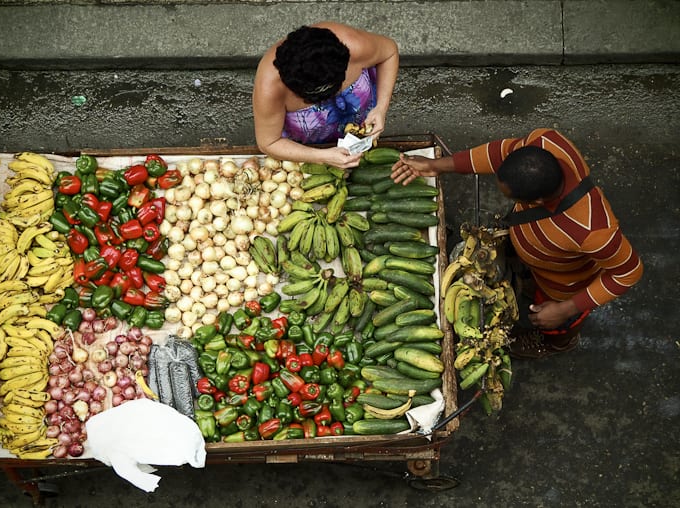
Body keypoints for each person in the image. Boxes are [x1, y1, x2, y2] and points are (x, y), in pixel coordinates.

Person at [390, 128, 644, 359]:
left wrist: (565, 309)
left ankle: (556, 343)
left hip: (563, 283)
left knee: (555, 324)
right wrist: (438, 166)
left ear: (538, 201)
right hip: (533, 246)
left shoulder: (594, 231)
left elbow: (628, 272)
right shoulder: (545, 141)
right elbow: (499, 154)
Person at [252, 22, 399, 168]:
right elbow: (269, 143)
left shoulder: (354, 44)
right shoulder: (269, 86)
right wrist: (322, 156)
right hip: (307, 147)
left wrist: (381, 107)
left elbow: (389, 53)